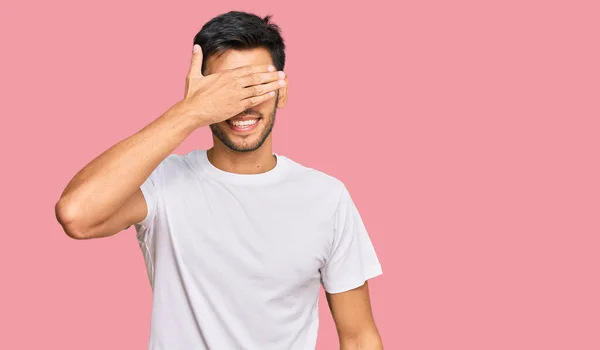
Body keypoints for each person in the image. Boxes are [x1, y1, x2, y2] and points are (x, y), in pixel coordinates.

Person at [55, 10, 383, 350]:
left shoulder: (326, 198)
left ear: (281, 92)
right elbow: (76, 214)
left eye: (256, 85)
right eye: (225, 90)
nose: (242, 104)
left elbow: (358, 336)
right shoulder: (161, 182)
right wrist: (190, 111)